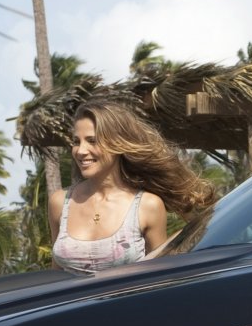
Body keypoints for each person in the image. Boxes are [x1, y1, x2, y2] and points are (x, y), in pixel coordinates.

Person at [51, 101, 215, 273]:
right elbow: (55, 273)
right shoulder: (60, 202)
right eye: (77, 142)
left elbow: (157, 275)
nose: (81, 151)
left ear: (117, 144)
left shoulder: (147, 206)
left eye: (92, 141)